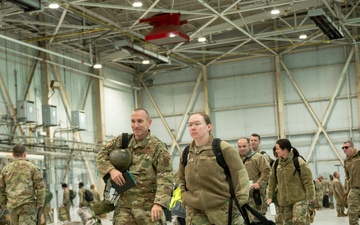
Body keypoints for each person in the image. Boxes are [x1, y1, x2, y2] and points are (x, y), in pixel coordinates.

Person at [96, 108, 173, 224]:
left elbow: (165, 177)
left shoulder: (158, 148)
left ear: (149, 122)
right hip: (124, 209)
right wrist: (111, 170)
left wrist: (159, 204)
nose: (136, 125)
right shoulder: (123, 141)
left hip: (148, 210)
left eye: (140, 121)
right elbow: (101, 155)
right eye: (133, 121)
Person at [177, 112, 249, 225]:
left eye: (197, 124)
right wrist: (185, 198)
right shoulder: (186, 153)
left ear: (209, 127)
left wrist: (237, 203)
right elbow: (181, 178)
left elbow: (240, 175)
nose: (193, 128)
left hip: (222, 210)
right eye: (190, 125)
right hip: (195, 212)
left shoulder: (222, 148)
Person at [266, 139, 315, 225]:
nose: (276, 151)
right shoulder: (277, 163)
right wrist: (269, 196)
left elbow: (308, 182)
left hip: (299, 199)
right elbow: (272, 181)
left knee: (298, 221)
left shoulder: (299, 161)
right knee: (287, 223)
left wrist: (310, 198)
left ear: (285, 150)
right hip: (284, 202)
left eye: (277, 149)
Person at [0, 144, 46, 225]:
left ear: (13, 154)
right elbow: (41, 187)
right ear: (25, 154)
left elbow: (1, 189)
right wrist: (39, 203)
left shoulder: (5, 170)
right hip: (27, 206)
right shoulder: (32, 168)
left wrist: (4, 204)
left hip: (12, 206)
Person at [237, 137, 270, 222]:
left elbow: (266, 171)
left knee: (257, 219)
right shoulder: (235, 159)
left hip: (255, 195)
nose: (242, 149)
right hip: (240, 196)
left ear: (249, 145)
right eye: (239, 147)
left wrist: (259, 183)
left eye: (244, 146)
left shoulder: (258, 157)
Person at [250, 133, 271, 214]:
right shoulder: (245, 156)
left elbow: (266, 173)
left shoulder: (263, 156)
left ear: (259, 142)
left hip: (260, 191)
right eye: (251, 140)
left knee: (260, 215)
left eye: (255, 140)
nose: (253, 142)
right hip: (248, 190)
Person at [343, 140, 360, 225]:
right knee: (352, 214)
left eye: (346, 147)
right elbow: (347, 177)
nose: (344, 149)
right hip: (354, 189)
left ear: (352, 147)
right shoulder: (346, 161)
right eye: (343, 148)